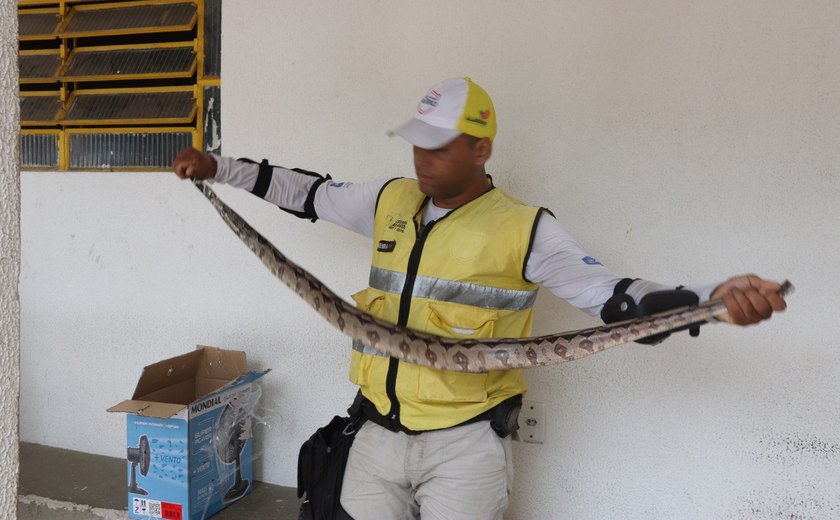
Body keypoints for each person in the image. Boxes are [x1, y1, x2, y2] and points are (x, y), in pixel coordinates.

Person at [172, 77, 786, 520]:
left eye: (440, 144)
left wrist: (709, 297)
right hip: (376, 432)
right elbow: (305, 192)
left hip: (463, 445)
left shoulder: (526, 229)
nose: (423, 158)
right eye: (418, 142)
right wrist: (217, 168)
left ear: (481, 148)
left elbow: (615, 299)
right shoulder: (390, 200)